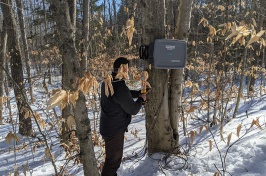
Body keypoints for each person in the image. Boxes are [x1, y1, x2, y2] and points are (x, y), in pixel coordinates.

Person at [100, 57, 148, 176]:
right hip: (114, 131)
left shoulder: (108, 81)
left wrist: (139, 93)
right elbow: (133, 109)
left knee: (112, 161)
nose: (128, 71)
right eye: (127, 68)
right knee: (113, 162)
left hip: (108, 127)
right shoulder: (119, 87)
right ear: (123, 68)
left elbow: (123, 95)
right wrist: (141, 99)